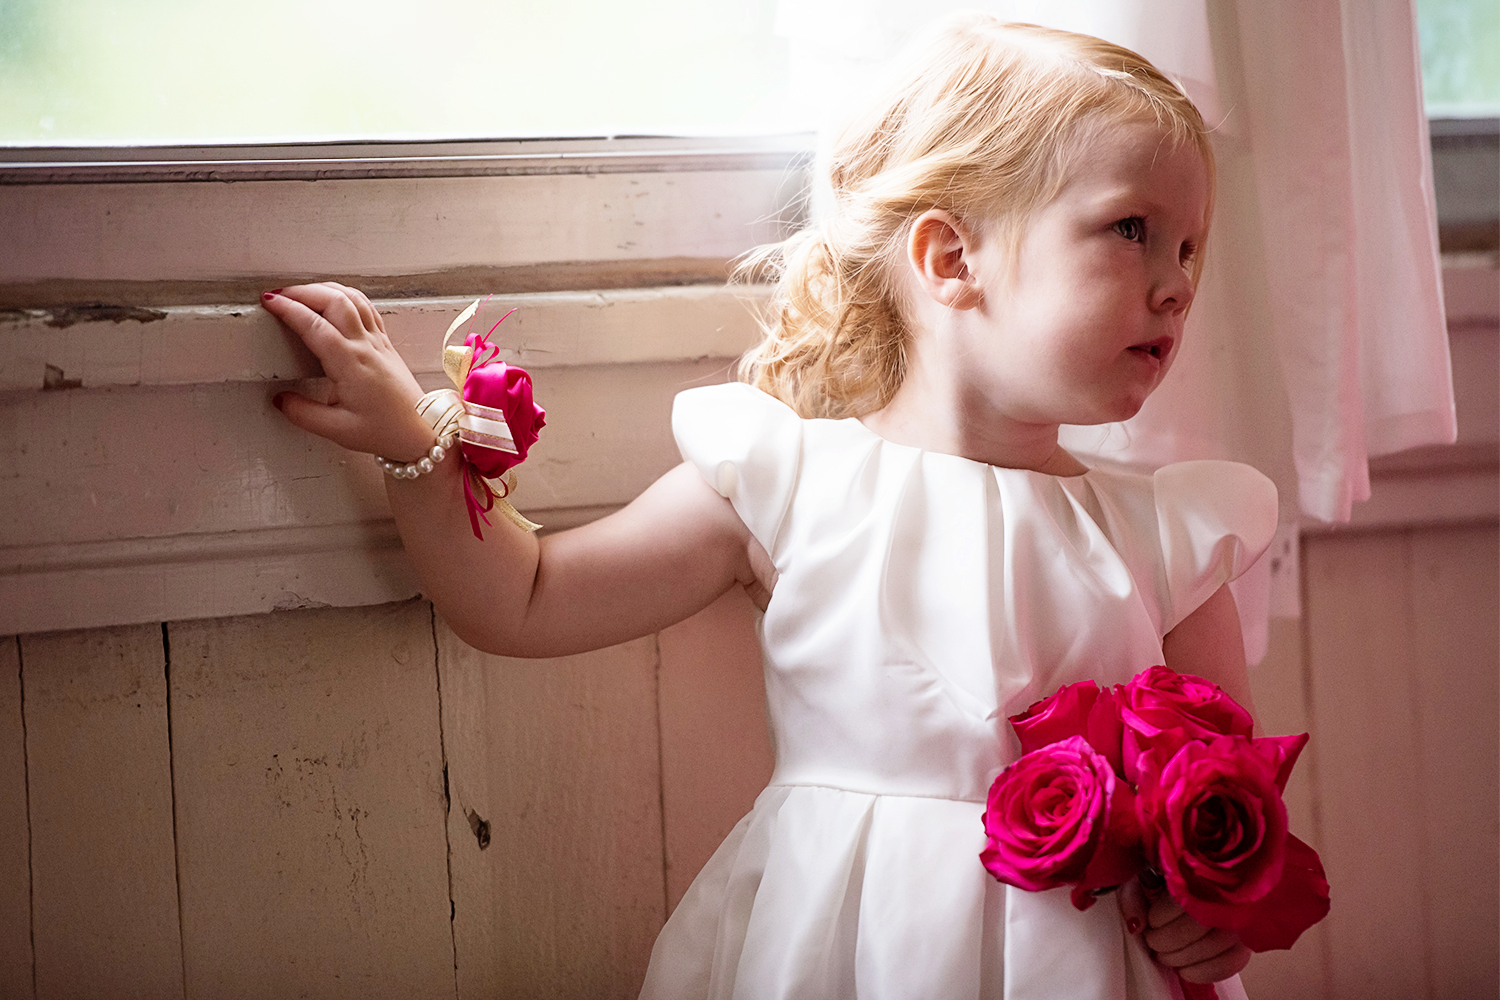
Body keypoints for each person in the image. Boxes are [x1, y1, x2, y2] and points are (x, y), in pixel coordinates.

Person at [262, 13, 1274, 998]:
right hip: (841, 951)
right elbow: (525, 597)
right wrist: (415, 439)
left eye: (1189, 248)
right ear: (950, 258)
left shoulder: (1169, 541)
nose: (1177, 284)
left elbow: (1230, 825)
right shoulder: (791, 481)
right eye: (1131, 230)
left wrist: (1216, 919)